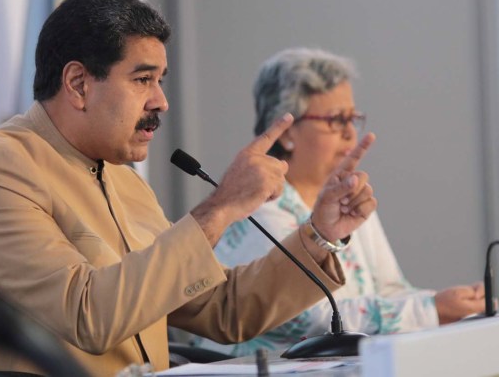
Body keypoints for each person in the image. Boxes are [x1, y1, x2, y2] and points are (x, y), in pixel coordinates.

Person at [0, 0, 377, 377]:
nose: (161, 101)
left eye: (160, 80)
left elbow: (222, 310)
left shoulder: (122, 178)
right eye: (142, 80)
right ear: (78, 84)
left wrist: (319, 235)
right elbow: (88, 315)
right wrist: (219, 209)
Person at [193, 48, 485, 357]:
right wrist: (432, 310)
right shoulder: (257, 206)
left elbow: (389, 290)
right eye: (336, 120)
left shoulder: (345, 199)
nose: (349, 133)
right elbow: (305, 318)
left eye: (353, 118)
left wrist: (457, 304)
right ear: (288, 132)